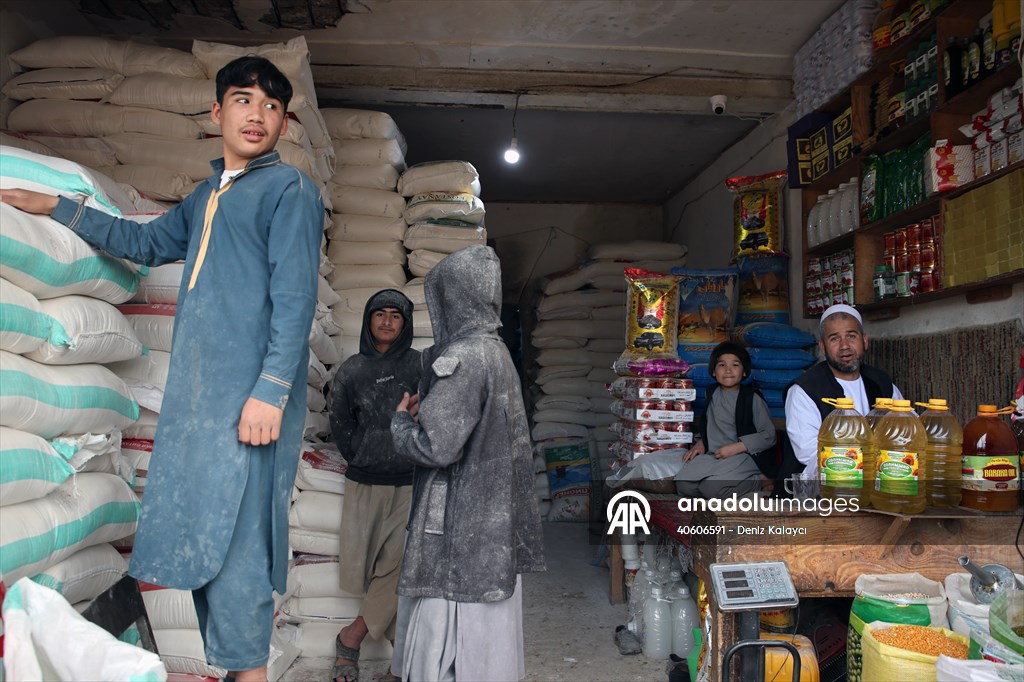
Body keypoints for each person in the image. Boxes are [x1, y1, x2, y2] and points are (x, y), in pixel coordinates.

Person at [1, 56, 323, 681]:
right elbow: (143, 243)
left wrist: (272, 391)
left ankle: (251, 674)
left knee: (239, 548)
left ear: (284, 124)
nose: (256, 114)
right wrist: (58, 207)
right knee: (202, 545)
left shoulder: (289, 191)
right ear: (216, 112)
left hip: (251, 401)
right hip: (198, 407)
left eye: (272, 106)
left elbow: (296, 298)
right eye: (243, 99)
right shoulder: (206, 197)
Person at [388, 245, 546, 682]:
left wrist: (401, 423)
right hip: (490, 524)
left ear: (452, 298)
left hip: (459, 530)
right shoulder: (496, 352)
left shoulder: (462, 359)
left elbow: (436, 448)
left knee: (449, 641)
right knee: (488, 640)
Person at [329, 289, 421, 682]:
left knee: (397, 567)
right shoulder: (352, 370)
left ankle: (350, 639)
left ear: (406, 323)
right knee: (368, 570)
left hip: (410, 481)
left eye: (395, 315)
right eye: (379, 314)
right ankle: (405, 660)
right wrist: (361, 453)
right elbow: (339, 421)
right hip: (365, 480)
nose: (386, 321)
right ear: (368, 320)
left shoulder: (419, 366)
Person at [780, 304, 903, 483]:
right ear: (822, 347)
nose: (844, 346)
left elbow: (907, 432)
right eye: (834, 339)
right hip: (821, 489)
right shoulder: (804, 390)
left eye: (851, 336)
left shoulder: (881, 382)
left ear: (865, 340)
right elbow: (810, 455)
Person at [677, 341, 776, 498]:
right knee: (684, 486)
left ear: (744, 372)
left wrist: (737, 447)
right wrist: (703, 441)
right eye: (722, 365)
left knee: (712, 489)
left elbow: (769, 435)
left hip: (743, 457)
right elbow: (711, 424)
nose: (728, 370)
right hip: (714, 455)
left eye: (735, 365)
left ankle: (760, 480)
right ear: (713, 371)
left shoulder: (751, 398)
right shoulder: (711, 393)